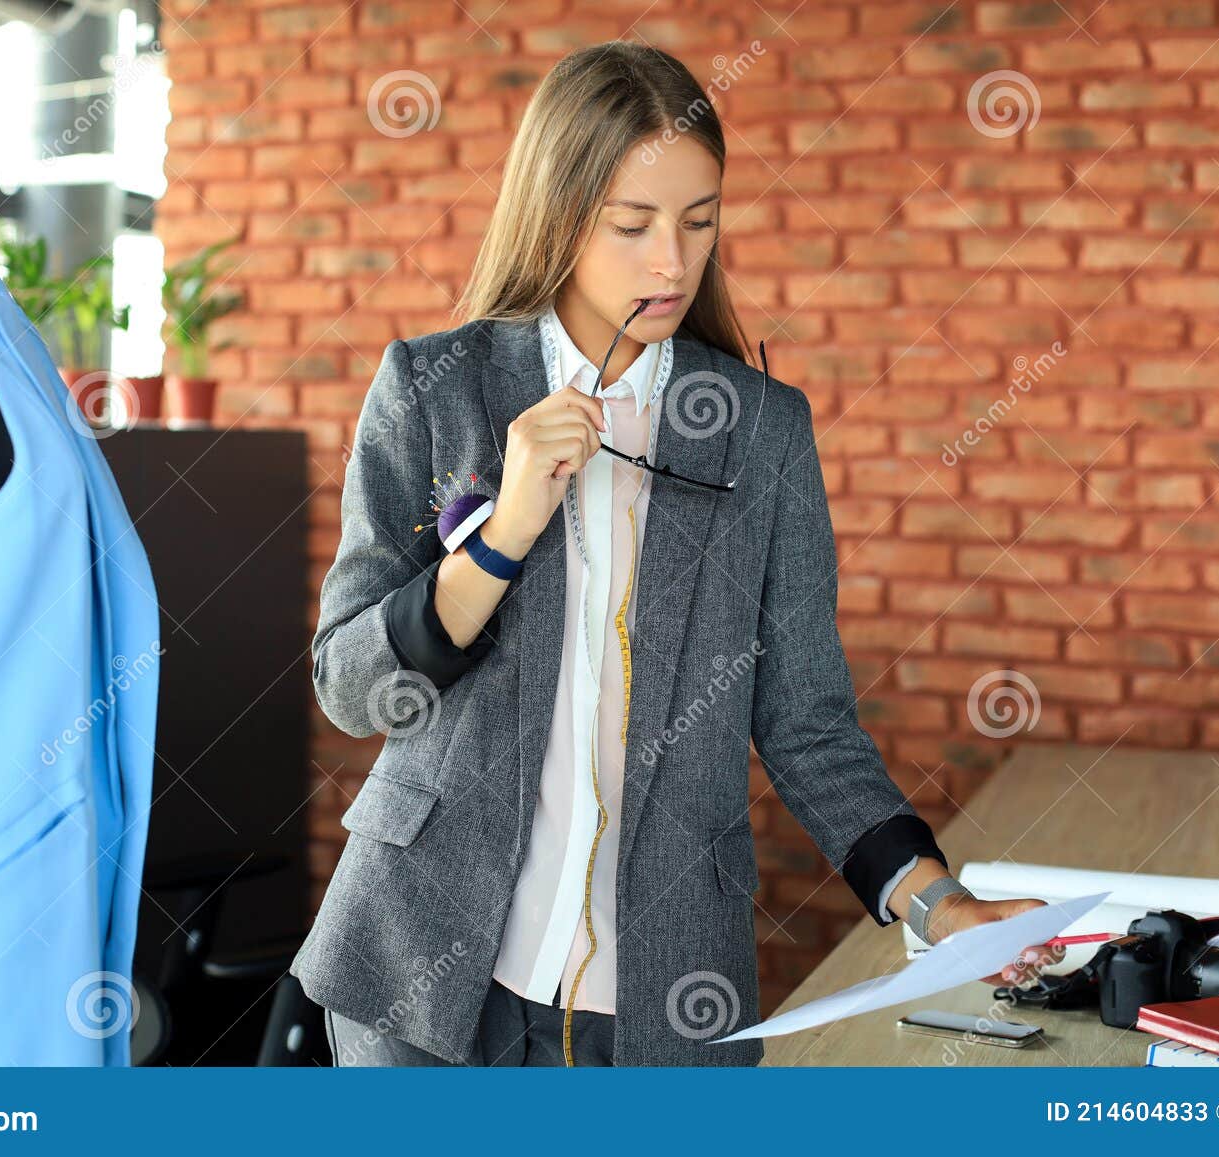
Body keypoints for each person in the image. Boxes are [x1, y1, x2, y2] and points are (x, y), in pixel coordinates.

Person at [289, 41, 1062, 1068]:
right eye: (633, 223)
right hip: (419, 971)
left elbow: (807, 722)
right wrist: (505, 533)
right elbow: (351, 687)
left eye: (699, 221)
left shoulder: (760, 432)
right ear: (558, 210)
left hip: (662, 997)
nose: (671, 261)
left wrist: (935, 900)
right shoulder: (437, 389)